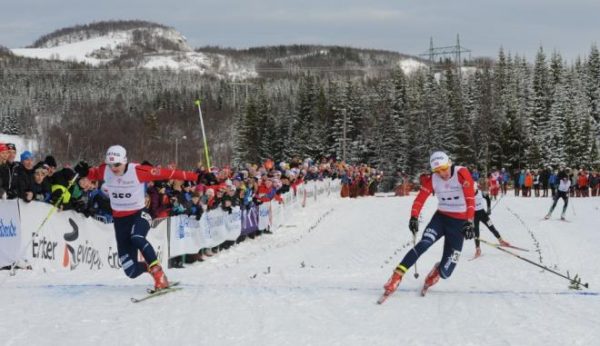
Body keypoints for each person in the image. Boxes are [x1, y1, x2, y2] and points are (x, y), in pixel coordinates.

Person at [74, 145, 198, 290]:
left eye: (117, 164)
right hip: (120, 221)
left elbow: (169, 173)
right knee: (130, 270)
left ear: (125, 161)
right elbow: (93, 173)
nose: (114, 168)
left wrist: (197, 177)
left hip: (139, 213)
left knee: (137, 237)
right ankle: (152, 270)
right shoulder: (105, 170)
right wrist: (85, 172)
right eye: (110, 164)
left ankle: (159, 275)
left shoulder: (138, 171)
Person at [382, 151, 475, 297]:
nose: (442, 173)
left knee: (446, 272)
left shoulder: (462, 173)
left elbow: (470, 200)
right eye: (437, 171)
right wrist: (413, 217)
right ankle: (396, 276)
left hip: (459, 223)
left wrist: (469, 222)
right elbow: (420, 199)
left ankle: (438, 270)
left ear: (449, 163)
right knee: (424, 243)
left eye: (443, 168)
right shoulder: (432, 179)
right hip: (441, 219)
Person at [472, 179, 510, 259]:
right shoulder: (468, 195)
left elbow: (488, 199)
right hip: (474, 215)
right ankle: (478, 249)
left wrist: (488, 209)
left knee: (491, 227)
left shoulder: (480, 192)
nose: (472, 191)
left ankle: (501, 240)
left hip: (483, 214)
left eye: (474, 190)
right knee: (476, 232)